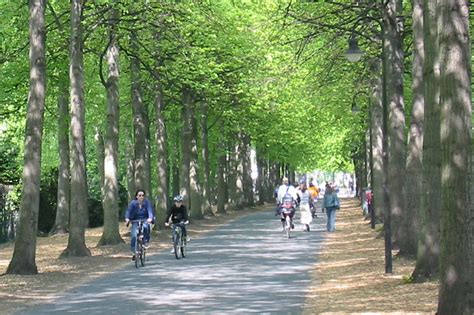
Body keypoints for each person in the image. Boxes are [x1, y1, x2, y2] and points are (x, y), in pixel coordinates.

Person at [124, 189, 154, 260]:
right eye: (139, 195)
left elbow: (150, 211)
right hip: (135, 220)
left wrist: (150, 218)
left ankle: (145, 242)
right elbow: (128, 211)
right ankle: (134, 252)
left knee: (146, 228)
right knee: (134, 235)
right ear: (136, 196)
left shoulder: (147, 203)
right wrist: (127, 218)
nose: (141, 197)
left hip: (144, 219)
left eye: (143, 195)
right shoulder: (133, 203)